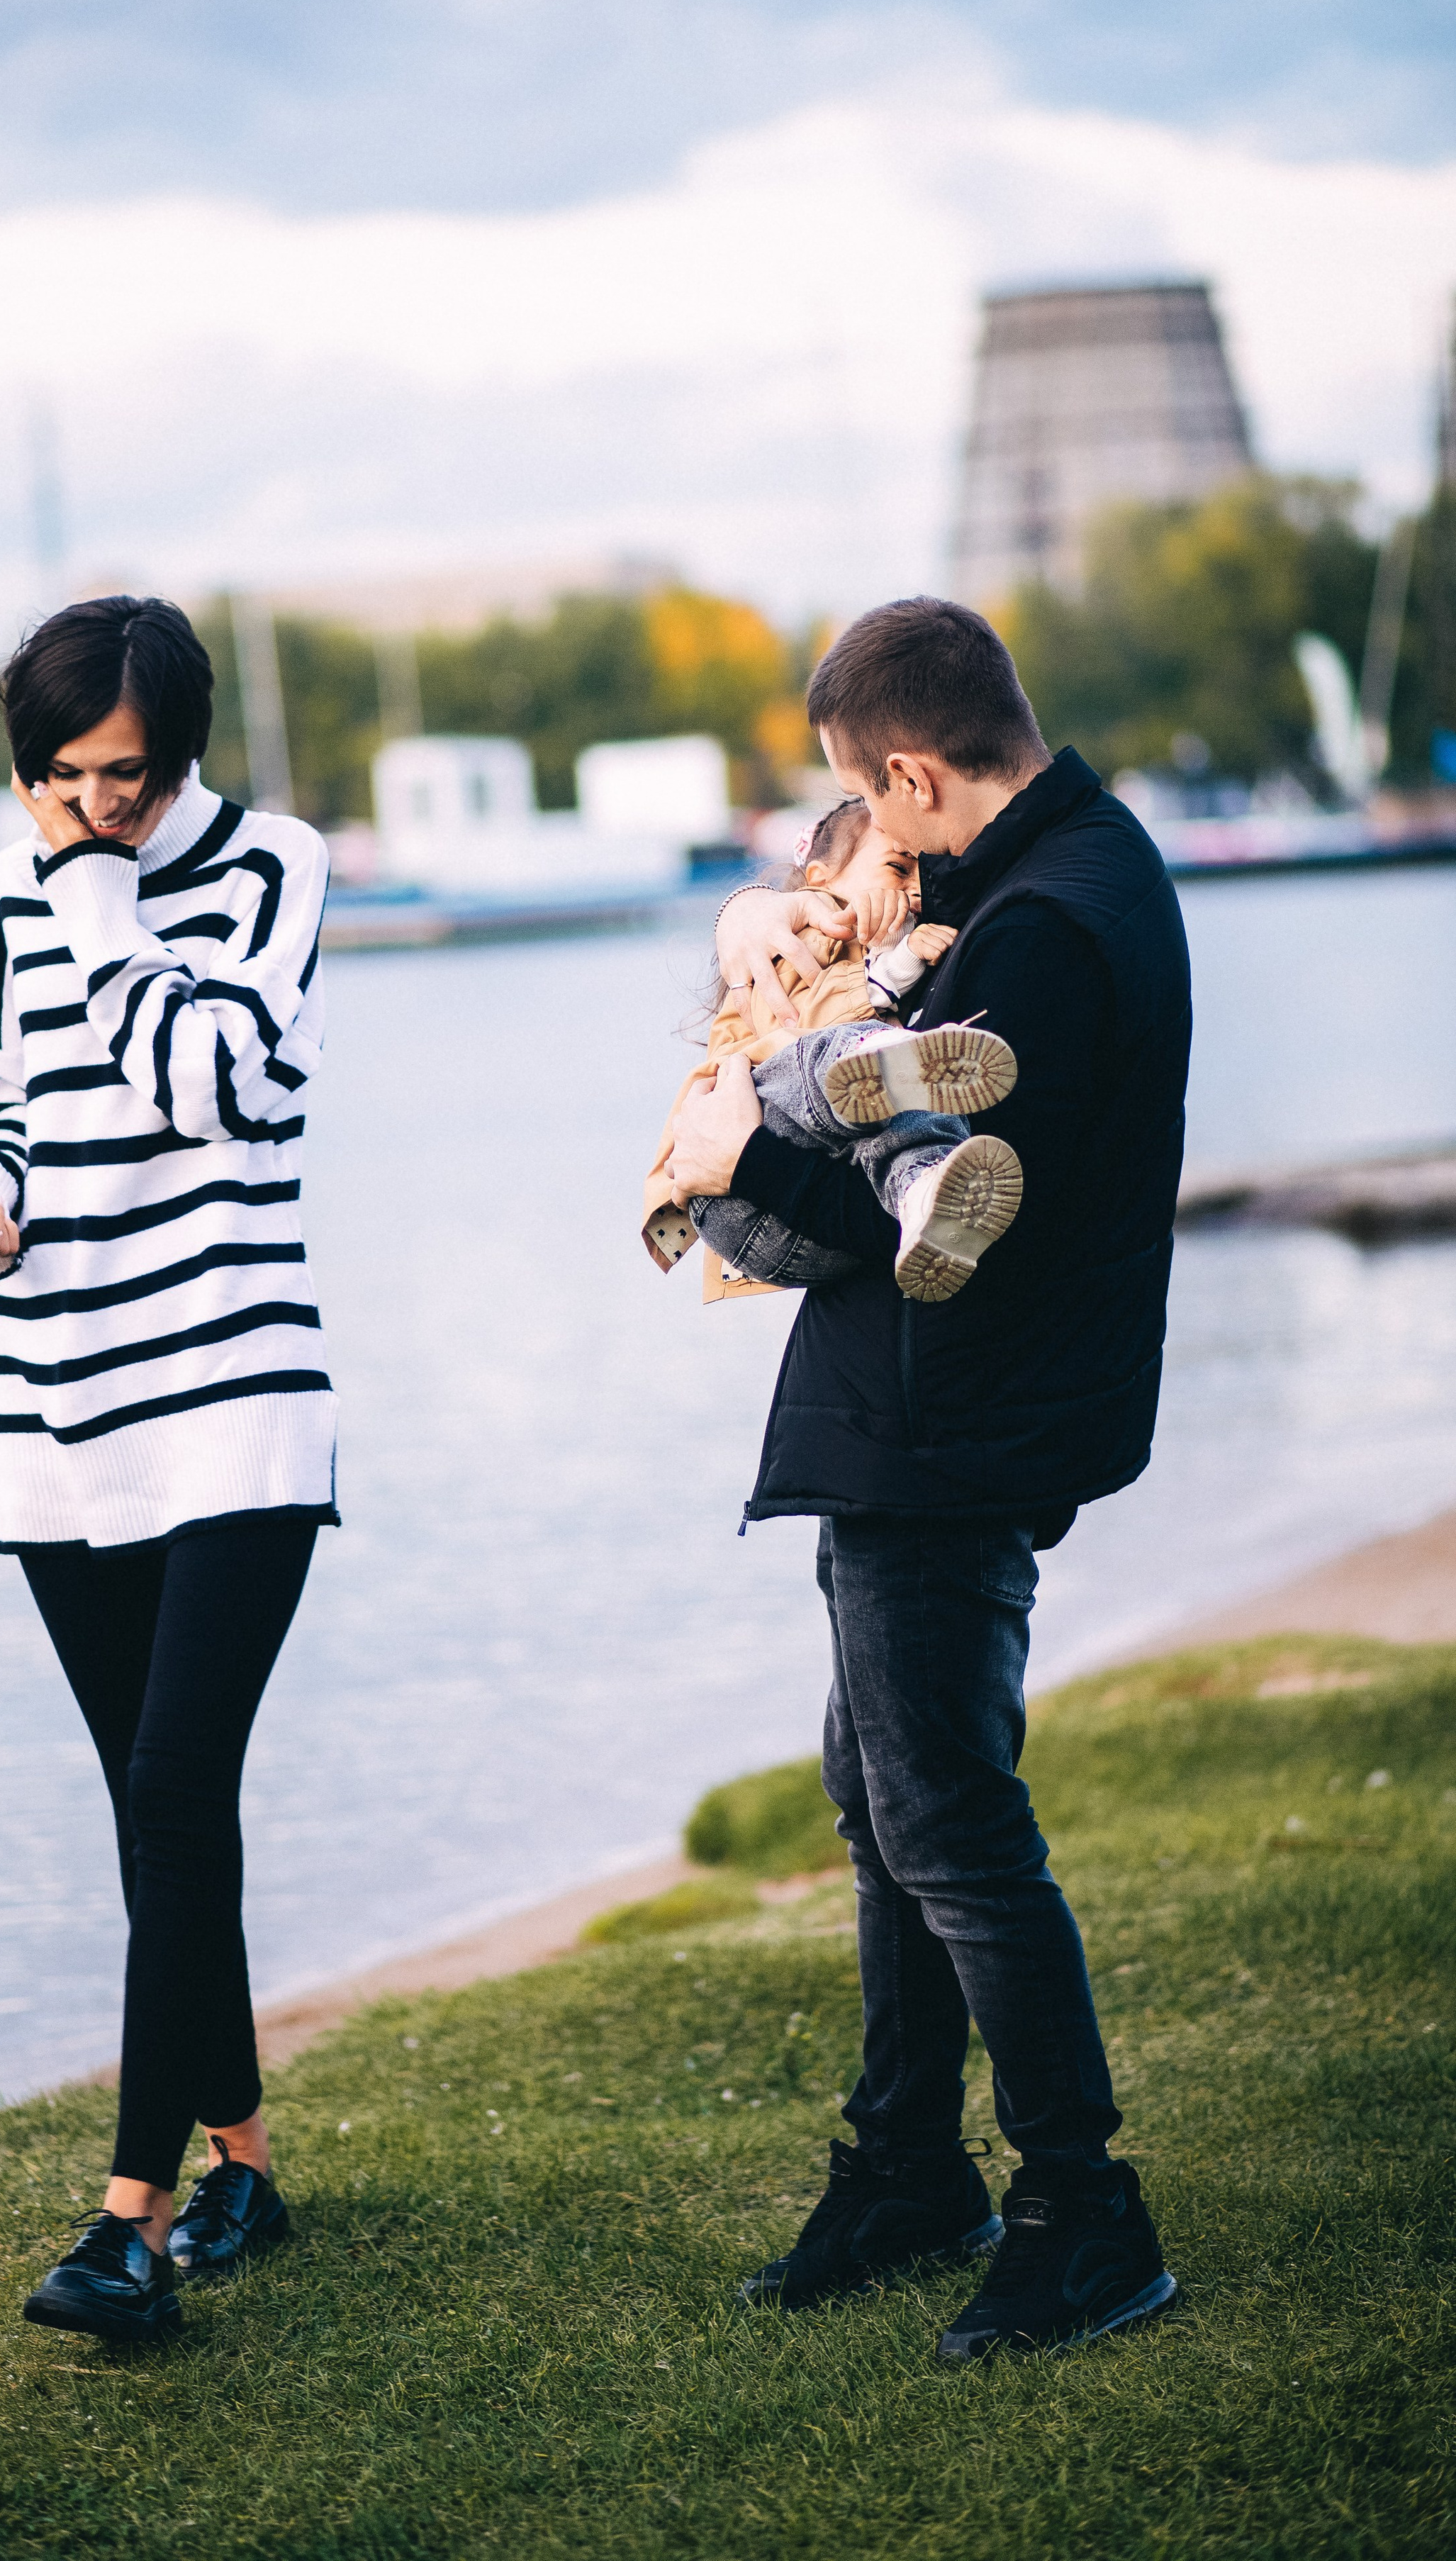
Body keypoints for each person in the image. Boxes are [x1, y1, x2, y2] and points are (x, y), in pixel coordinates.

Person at [664, 595, 1188, 2360]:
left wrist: (739, 1148)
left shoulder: (1038, 933)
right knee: (887, 1796)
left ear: (909, 767)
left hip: (948, 1420)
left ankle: (1079, 2206)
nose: (866, 843)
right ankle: (905, 2164)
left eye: (866, 805)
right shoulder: (1074, 867)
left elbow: (967, 1240)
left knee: (945, 1818)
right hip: (937, 1414)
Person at [0, 595, 337, 2345]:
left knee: (173, 1790)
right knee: (157, 1812)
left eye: (119, 777)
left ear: (177, 754)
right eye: (57, 778)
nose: (84, 806)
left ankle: (126, 2221)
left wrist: (95, 890)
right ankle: (244, 2156)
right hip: (56, 1414)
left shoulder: (273, 870)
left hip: (236, 1399)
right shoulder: (13, 880)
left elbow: (215, 1082)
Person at [642, 795, 1022, 1303]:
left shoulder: (898, 959)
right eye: (896, 868)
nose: (913, 891)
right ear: (821, 882)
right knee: (848, 1054)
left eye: (922, 878)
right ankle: (897, 1074)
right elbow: (806, 1025)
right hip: (737, 1207)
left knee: (906, 1122)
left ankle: (924, 1199)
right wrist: (900, 963)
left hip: (818, 1237)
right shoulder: (799, 941)